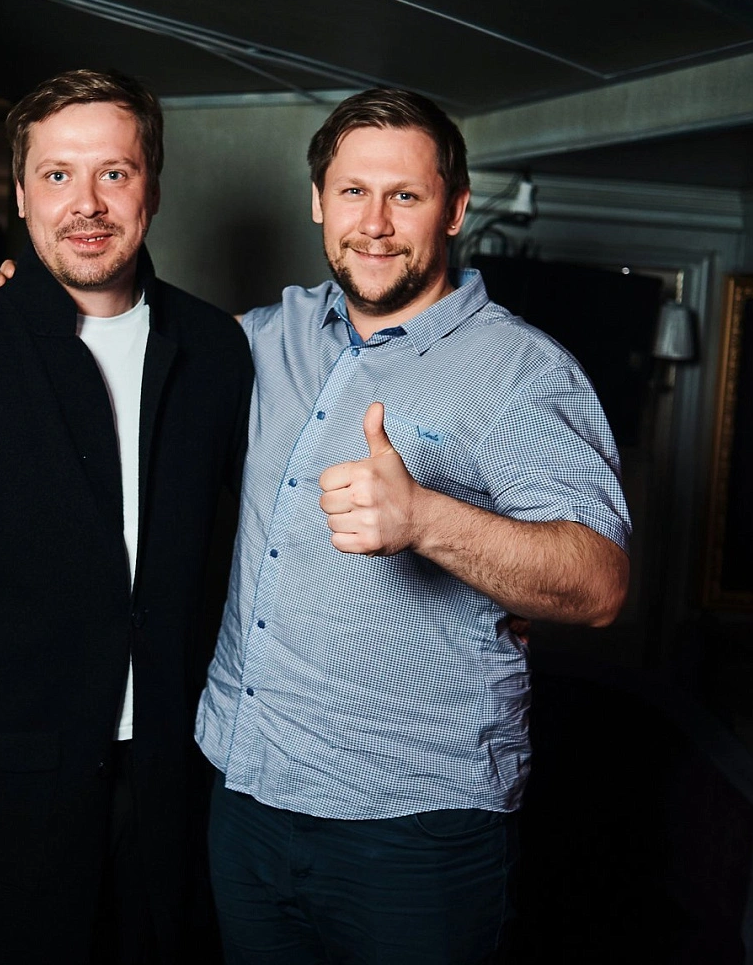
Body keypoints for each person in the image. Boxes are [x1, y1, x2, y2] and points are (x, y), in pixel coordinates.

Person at [195, 89, 630, 964]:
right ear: (317, 202)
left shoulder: (519, 372)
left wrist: (425, 519)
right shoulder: (264, 338)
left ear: (455, 209)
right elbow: (126, 349)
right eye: (353, 192)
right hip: (245, 793)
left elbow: (599, 586)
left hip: (412, 830)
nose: (375, 223)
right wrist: (28, 303)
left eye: (405, 195)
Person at [0, 69, 252, 963]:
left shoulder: (217, 351)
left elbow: (258, 541)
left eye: (114, 173)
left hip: (172, 795)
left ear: (151, 187)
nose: (87, 204)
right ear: (21, 193)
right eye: (57, 174)